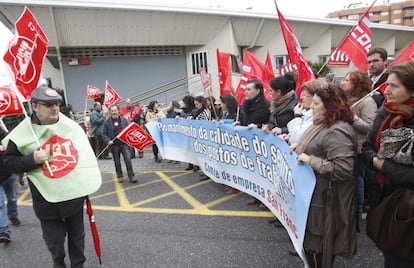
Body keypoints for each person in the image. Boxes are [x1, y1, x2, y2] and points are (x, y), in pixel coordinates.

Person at [2, 86, 102, 268]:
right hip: (46, 200)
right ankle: (58, 260)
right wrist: (31, 159)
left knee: (77, 236)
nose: (54, 108)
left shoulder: (70, 126)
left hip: (74, 195)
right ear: (34, 107)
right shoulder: (22, 132)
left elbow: (83, 155)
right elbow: (7, 164)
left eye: (56, 104)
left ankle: (78, 264)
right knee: (54, 239)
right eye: (48, 104)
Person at [291, 84, 357, 268]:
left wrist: (311, 159)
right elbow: (317, 147)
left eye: (317, 103)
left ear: (331, 106)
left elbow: (343, 169)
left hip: (325, 203)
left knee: (318, 253)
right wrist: (299, 148)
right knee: (310, 251)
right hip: (315, 198)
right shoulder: (321, 125)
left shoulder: (337, 131)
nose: (311, 106)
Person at [361, 62, 414, 267]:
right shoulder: (385, 112)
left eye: (394, 86)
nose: (387, 90)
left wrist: (384, 166)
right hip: (385, 197)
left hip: (408, 205)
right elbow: (366, 149)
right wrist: (377, 161)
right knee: (391, 254)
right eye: (387, 84)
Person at [342, 70, 377, 223]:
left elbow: (370, 127)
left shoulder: (367, 102)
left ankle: (357, 212)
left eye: (348, 80)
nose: (344, 82)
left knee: (357, 181)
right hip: (347, 146)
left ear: (357, 84)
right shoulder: (347, 100)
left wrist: (352, 117)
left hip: (359, 148)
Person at [237, 79, 270, 205]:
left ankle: (265, 198)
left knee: (262, 171)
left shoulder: (264, 105)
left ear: (257, 91)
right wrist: (240, 123)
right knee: (252, 170)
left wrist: (258, 125)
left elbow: (267, 122)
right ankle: (256, 195)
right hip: (249, 142)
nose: (245, 92)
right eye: (245, 89)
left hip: (260, 143)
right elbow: (246, 119)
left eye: (248, 89)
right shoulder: (247, 103)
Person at [102, 105, 137, 183]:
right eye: (112, 111)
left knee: (128, 160)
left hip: (124, 144)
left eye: (115, 110)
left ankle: (131, 176)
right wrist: (108, 140)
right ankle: (120, 176)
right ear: (110, 112)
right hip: (114, 145)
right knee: (117, 162)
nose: (114, 112)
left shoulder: (124, 120)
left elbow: (128, 130)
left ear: (118, 111)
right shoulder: (107, 122)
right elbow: (103, 133)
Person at [284, 79, 323, 144]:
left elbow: (298, 138)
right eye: (301, 94)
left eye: (305, 95)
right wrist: (289, 136)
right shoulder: (305, 111)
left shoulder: (316, 116)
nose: (301, 97)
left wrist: (297, 116)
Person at [0, 126, 20, 244]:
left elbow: (13, 153)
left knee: (12, 197)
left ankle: (13, 215)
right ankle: (4, 231)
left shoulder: (5, 137)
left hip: (8, 175)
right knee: (0, 205)